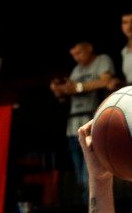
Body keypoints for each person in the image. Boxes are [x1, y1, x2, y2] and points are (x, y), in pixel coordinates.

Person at [50, 41, 117, 191]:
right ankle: (88, 209)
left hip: (93, 124)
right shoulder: (76, 69)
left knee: (91, 176)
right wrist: (60, 90)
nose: (76, 57)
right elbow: (70, 93)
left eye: (79, 52)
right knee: (81, 179)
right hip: (74, 127)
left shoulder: (102, 60)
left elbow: (106, 81)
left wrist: (78, 87)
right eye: (73, 55)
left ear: (89, 48)